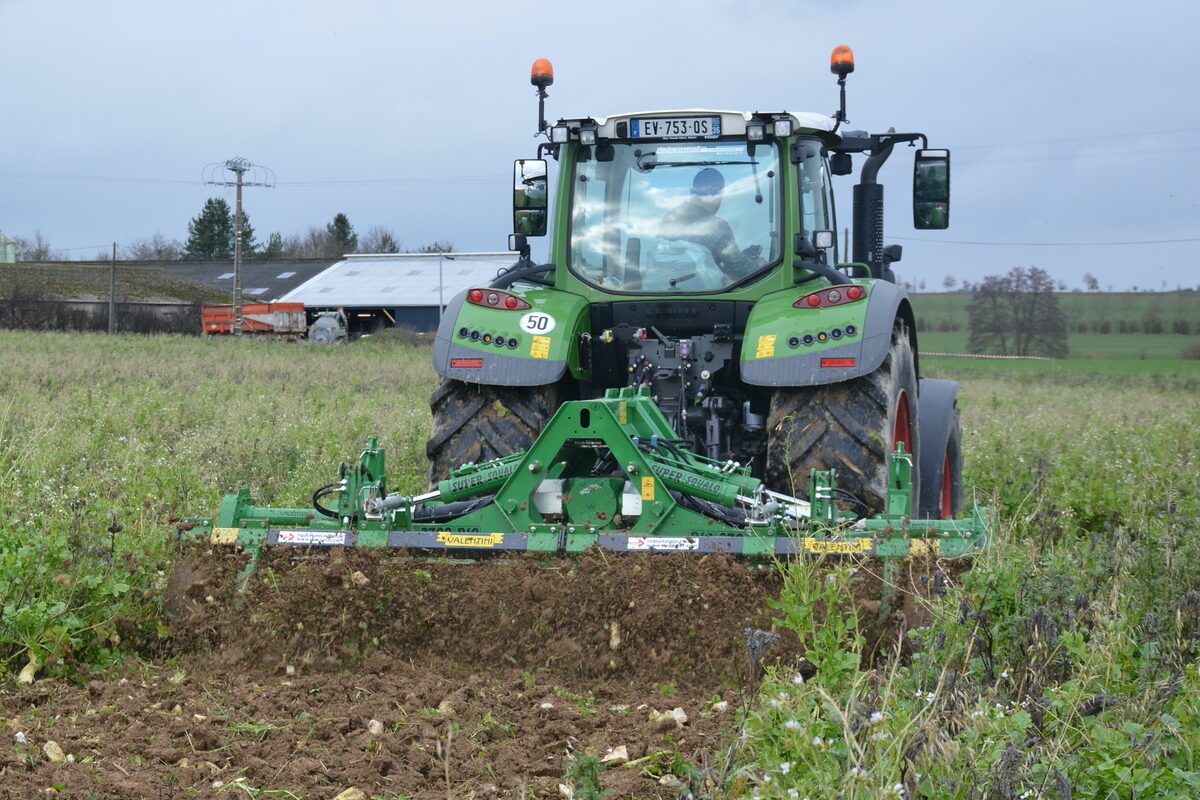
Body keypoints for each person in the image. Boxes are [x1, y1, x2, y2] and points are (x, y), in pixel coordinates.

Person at [659, 168, 759, 279]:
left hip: (666, 288)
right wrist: (760, 266)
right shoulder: (716, 227)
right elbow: (741, 267)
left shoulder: (668, 219)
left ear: (692, 192)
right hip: (704, 292)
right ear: (720, 195)